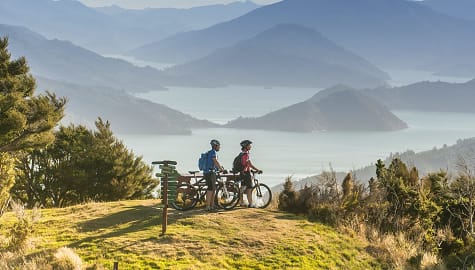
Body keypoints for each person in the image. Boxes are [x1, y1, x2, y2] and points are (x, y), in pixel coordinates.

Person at [238, 140, 262, 208]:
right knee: (249, 189)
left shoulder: (241, 154)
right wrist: (257, 170)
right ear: (246, 146)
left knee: (242, 189)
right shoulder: (246, 154)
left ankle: (241, 202)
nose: (250, 146)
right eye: (249, 145)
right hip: (246, 173)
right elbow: (250, 164)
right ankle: (251, 204)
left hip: (242, 173)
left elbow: (245, 164)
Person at [204, 139, 225, 211]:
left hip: (209, 172)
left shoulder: (210, 152)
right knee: (210, 189)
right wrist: (221, 169)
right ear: (216, 146)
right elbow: (215, 161)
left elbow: (213, 163)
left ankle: (212, 205)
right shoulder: (213, 152)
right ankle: (208, 206)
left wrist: (219, 168)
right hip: (210, 173)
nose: (220, 147)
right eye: (219, 146)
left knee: (213, 189)